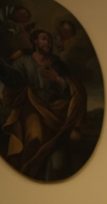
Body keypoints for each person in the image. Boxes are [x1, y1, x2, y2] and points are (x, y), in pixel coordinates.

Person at [0, 28, 86, 180]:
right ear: (35, 41)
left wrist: (57, 79)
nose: (48, 43)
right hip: (31, 107)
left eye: (50, 40)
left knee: (57, 153)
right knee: (35, 138)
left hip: (55, 111)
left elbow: (72, 88)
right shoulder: (23, 62)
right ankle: (26, 175)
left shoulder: (57, 63)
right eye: (44, 39)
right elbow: (13, 84)